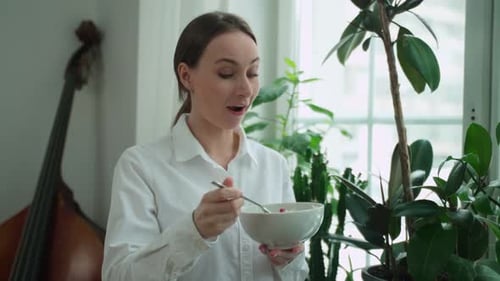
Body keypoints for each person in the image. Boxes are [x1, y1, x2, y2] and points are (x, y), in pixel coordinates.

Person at [102, 11, 309, 281]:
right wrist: (195, 232)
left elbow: (297, 273)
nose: (246, 89)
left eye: (253, 72)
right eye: (226, 73)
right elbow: (119, 276)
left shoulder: (273, 165)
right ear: (187, 76)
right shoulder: (140, 167)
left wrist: (289, 260)